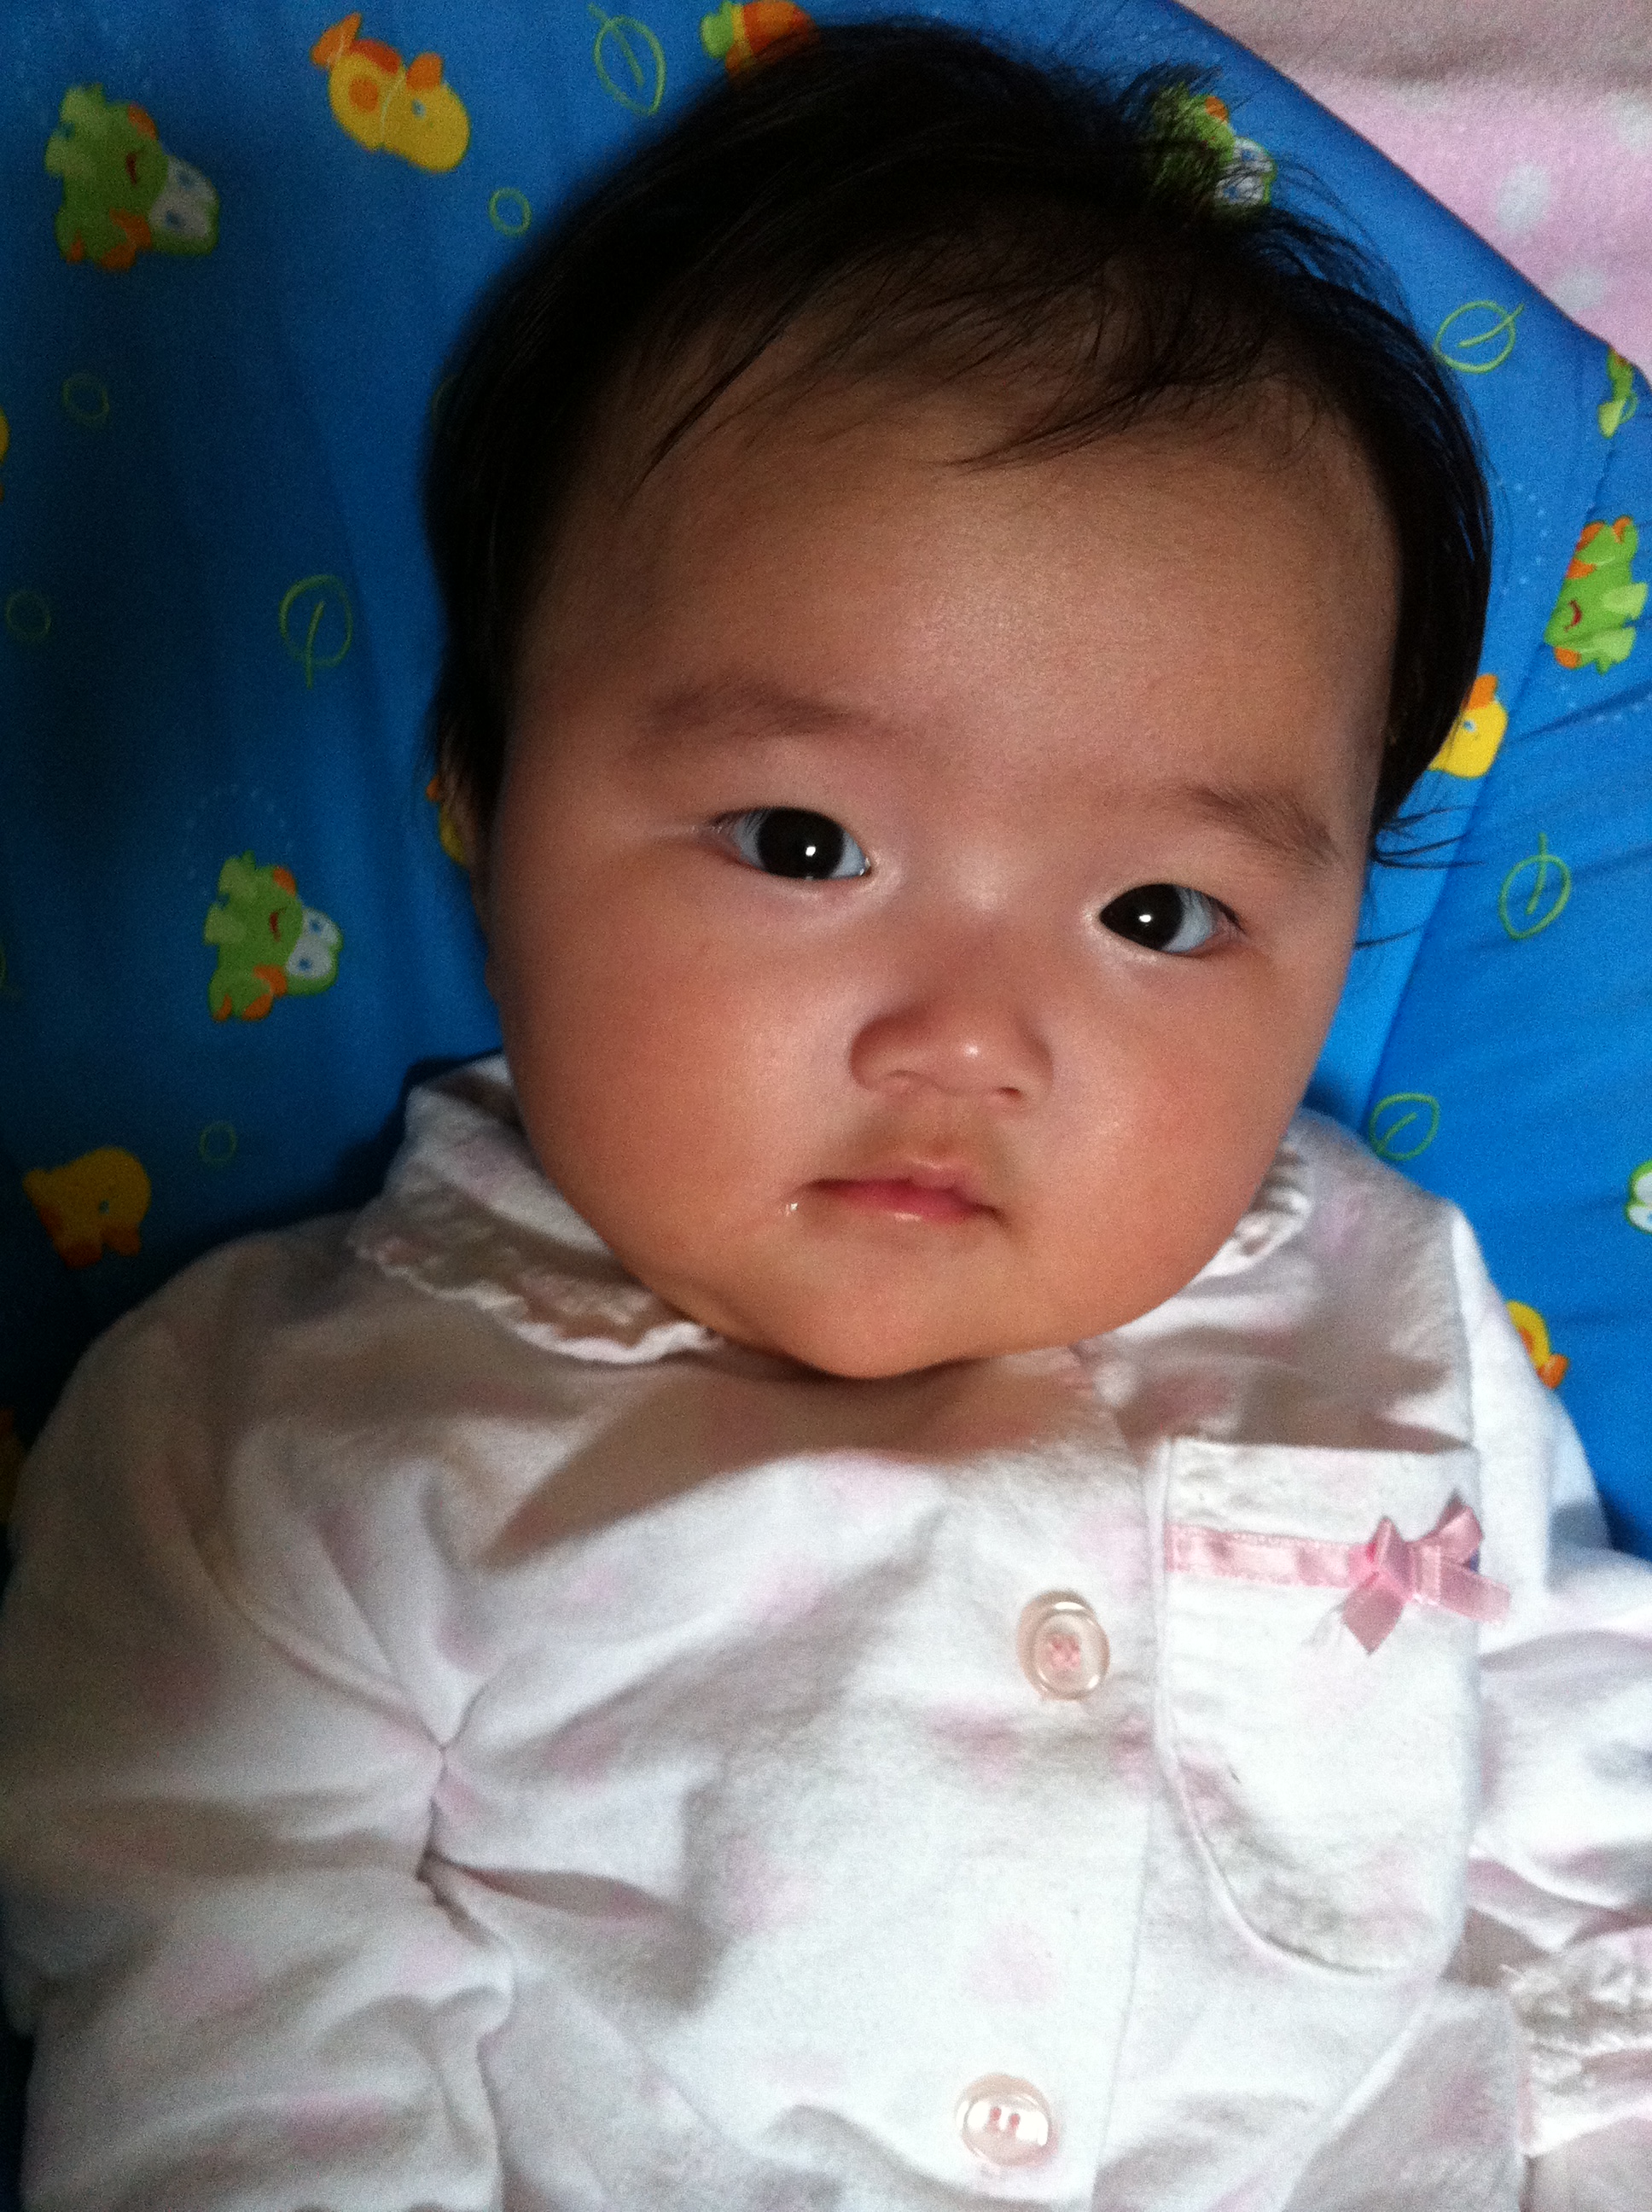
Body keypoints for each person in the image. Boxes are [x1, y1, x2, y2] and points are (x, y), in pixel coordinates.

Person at [2, 20, 1648, 2209]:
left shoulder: (1380, 1305)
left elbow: (1582, 1845)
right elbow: (233, 2049)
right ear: (482, 811)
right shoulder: (279, 1442)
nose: (966, 1040)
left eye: (1156, 914)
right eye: (801, 845)